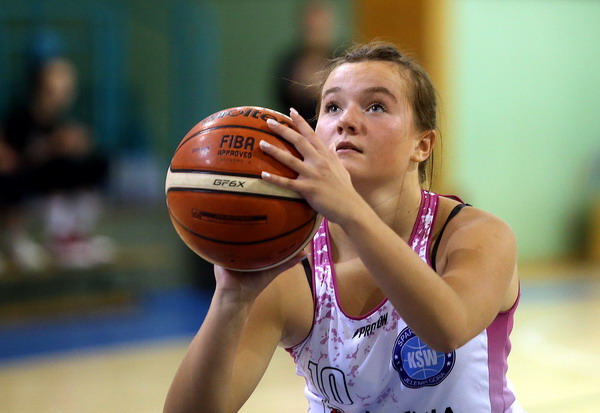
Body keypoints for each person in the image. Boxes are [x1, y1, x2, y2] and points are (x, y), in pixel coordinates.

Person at [164, 41, 524, 413]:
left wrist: (350, 210)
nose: (346, 120)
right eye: (333, 106)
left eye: (376, 106)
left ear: (422, 144)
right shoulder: (290, 264)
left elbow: (448, 329)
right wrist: (231, 298)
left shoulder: (474, 235)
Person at [0, 56, 112, 271]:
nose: (67, 90)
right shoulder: (21, 117)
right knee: (17, 177)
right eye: (60, 83)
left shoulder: (60, 120)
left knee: (94, 163)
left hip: (44, 180)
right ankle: (24, 239)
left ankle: (73, 234)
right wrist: (53, 145)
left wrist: (75, 143)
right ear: (43, 85)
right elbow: (16, 157)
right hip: (25, 182)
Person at [274, 0, 338, 127]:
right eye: (312, 26)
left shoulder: (342, 62)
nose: (316, 30)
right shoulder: (289, 64)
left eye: (320, 26)